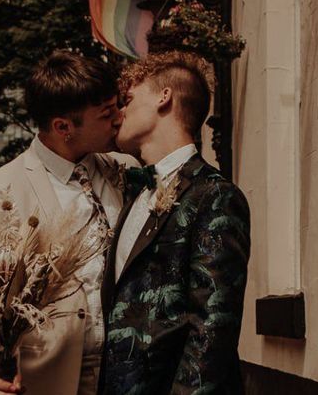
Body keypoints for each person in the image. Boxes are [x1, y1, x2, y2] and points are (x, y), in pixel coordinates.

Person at [0, 50, 131, 395]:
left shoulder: (126, 168)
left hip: (128, 372)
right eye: (107, 114)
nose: (120, 118)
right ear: (63, 127)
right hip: (48, 376)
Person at [100, 51, 251, 395]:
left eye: (128, 99)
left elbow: (212, 329)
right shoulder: (133, 195)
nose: (119, 112)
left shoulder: (214, 195)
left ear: (163, 97)